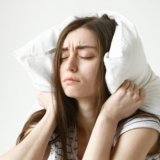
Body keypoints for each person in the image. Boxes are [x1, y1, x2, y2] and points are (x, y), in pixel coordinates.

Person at [0, 14, 160, 160]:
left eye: (86, 56)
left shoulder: (140, 126)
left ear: (109, 65)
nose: (70, 66)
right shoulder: (50, 120)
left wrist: (108, 118)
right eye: (63, 57)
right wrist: (54, 110)